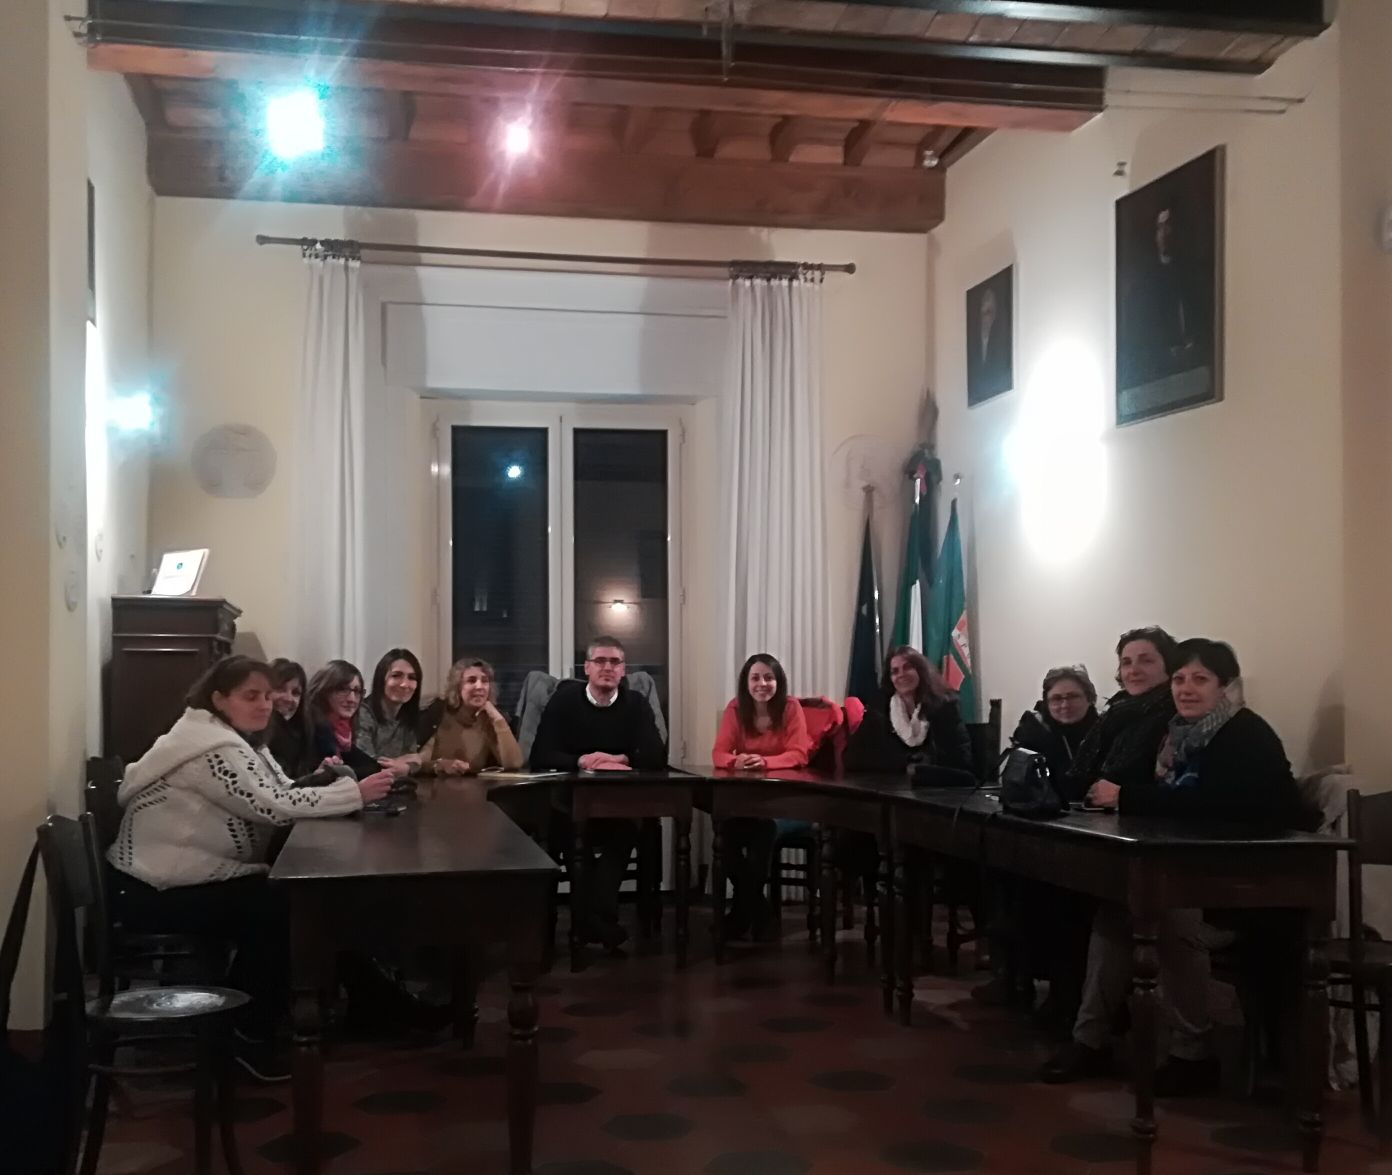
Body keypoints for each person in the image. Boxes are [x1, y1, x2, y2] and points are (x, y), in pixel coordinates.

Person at [1041, 639, 1314, 1095]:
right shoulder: (1176, 736)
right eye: (1181, 679)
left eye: (1200, 679)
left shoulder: (1245, 734)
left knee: (1168, 917)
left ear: (1225, 687)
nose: (1186, 689)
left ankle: (1193, 1052)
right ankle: (1090, 1040)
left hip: (1257, 886)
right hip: (1199, 873)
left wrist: (1128, 797)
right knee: (1114, 910)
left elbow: (1218, 807)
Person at [105, 656, 393, 1081]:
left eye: (267, 696)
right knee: (286, 908)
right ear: (219, 699)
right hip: (155, 887)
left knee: (295, 900)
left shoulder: (236, 739)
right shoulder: (210, 747)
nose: (264, 705)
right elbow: (274, 806)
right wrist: (356, 794)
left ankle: (337, 1008)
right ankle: (247, 1034)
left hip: (172, 878)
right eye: (250, 696)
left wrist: (321, 783)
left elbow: (279, 789)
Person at [975, 666, 1102, 1021]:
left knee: (1054, 896)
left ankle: (1063, 992)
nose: (1064, 705)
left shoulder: (1102, 732)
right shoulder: (1038, 732)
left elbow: (1081, 786)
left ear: (1090, 699)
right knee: (1000, 873)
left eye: (1072, 697)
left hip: (1091, 838)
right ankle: (1012, 975)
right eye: (1055, 699)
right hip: (1045, 831)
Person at [530, 635, 667, 952]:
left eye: (615, 662)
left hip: (620, 807)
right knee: (571, 835)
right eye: (600, 661)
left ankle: (590, 921)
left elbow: (656, 755)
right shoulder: (564, 701)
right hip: (571, 806)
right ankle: (598, 920)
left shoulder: (636, 704)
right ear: (587, 668)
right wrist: (581, 760)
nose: (608, 667)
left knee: (630, 830)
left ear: (623, 670)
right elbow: (540, 755)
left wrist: (621, 759)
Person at [711, 654, 812, 939]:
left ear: (778, 682)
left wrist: (765, 762)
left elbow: (799, 754)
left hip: (787, 804)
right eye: (755, 678)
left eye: (769, 678)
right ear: (746, 682)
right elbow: (718, 753)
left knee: (762, 833)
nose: (762, 684)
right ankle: (759, 911)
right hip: (749, 803)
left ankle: (740, 916)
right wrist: (736, 761)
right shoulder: (735, 708)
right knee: (724, 835)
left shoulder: (790, 708)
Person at [1064, 627, 1181, 806]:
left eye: (1146, 661)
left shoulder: (1178, 716)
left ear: (1169, 666)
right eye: (1126, 662)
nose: (1133, 670)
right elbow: (1079, 778)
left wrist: (1126, 796)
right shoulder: (1115, 712)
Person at [844, 645, 972, 775]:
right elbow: (851, 758)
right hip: (892, 785)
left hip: (935, 785)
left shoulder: (945, 707)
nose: (901, 675)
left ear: (921, 671)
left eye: (907, 667)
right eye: (895, 671)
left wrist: (924, 767)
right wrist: (903, 763)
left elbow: (961, 760)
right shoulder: (879, 709)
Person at [420, 658, 524, 774]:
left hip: (474, 784)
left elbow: (514, 763)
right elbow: (417, 764)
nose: (479, 686)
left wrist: (498, 719)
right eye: (471, 680)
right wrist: (439, 765)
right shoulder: (438, 713)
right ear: (457, 687)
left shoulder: (488, 719)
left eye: (485, 681)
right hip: (435, 784)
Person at [305, 660, 386, 781]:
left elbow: (372, 767)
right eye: (342, 690)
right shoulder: (310, 728)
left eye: (357, 691)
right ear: (324, 691)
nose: (352, 699)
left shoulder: (343, 731)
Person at [356, 648, 425, 777]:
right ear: (381, 679)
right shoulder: (363, 713)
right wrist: (403, 763)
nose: (405, 684)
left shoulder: (407, 715)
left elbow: (415, 761)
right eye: (396, 675)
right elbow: (367, 766)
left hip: (397, 785)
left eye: (412, 678)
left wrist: (406, 767)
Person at [265, 657, 314, 777]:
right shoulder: (255, 735)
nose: (288, 698)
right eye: (280, 689)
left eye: (296, 693)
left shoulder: (302, 732)